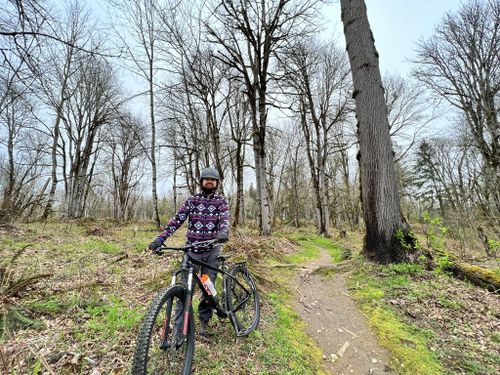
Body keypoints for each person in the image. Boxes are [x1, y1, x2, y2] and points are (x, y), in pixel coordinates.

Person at [148, 167, 229, 337]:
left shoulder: (221, 202)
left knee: (208, 287)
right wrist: (160, 239)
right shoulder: (192, 201)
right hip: (191, 251)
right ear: (201, 182)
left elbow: (225, 221)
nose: (209, 182)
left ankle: (204, 321)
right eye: (206, 179)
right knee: (184, 290)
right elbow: (176, 221)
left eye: (212, 180)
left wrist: (223, 233)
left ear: (216, 184)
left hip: (212, 251)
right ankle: (179, 330)